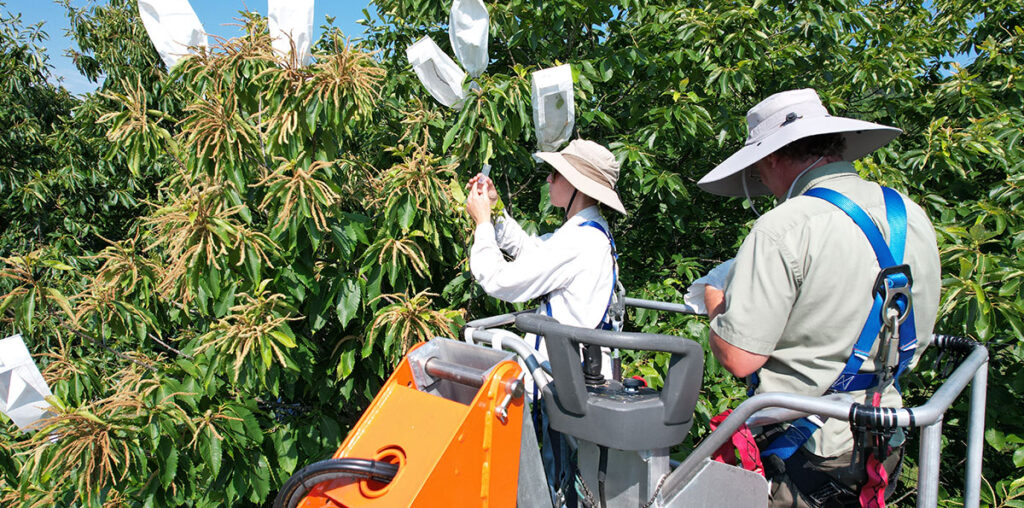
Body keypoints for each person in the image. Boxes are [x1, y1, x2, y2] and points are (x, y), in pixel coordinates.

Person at [698, 89, 941, 507]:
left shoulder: (784, 227)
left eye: (757, 168)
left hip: (804, 446)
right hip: (883, 432)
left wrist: (713, 298)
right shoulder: (909, 212)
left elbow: (739, 359)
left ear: (771, 157)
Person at [465, 139, 626, 363]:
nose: (549, 178)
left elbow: (499, 280)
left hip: (562, 377)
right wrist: (495, 209)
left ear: (576, 184)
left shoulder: (579, 241)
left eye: (556, 173)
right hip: (576, 366)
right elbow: (529, 250)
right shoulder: (589, 232)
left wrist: (482, 223)